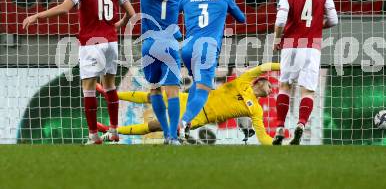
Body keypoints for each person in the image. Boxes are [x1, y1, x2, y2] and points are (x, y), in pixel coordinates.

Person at [96, 0, 214, 145]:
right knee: (172, 92)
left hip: (149, 44)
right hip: (169, 44)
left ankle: (168, 134)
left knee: (154, 90)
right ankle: (172, 136)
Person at [23, 0, 136, 145]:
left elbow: (65, 9)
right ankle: (114, 130)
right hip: (110, 42)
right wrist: (120, 23)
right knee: (110, 86)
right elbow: (131, 12)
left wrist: (37, 15)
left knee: (89, 89)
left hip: (92, 43)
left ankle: (93, 135)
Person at [97, 63, 279, 145]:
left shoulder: (255, 109)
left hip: (198, 117)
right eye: (269, 85)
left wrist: (277, 144)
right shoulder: (244, 81)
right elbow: (265, 67)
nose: (272, 89)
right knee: (152, 97)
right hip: (189, 101)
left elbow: (263, 137)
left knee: (153, 126)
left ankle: (112, 131)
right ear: (259, 82)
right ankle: (111, 94)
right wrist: (283, 67)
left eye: (272, 88)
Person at [272, 0, 338, 145]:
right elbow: (334, 19)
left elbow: (281, 20)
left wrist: (277, 39)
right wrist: (318, 25)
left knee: (285, 86)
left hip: (291, 45)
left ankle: (279, 127)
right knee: (307, 91)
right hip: (311, 47)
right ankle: (301, 125)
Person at [178, 0, 245, 140]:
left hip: (187, 48)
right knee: (204, 89)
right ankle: (182, 123)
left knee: (196, 83)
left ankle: (186, 126)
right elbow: (242, 19)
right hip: (206, 48)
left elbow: (171, 14)